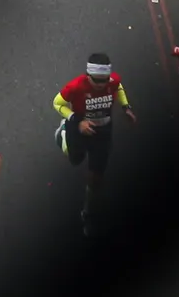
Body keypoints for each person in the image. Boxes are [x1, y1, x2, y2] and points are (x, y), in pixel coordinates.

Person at [51, 56, 127, 235]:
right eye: (96, 81)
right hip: (79, 126)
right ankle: (62, 132)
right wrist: (77, 122)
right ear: (88, 76)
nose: (101, 85)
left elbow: (119, 86)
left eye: (104, 80)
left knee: (96, 179)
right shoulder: (76, 86)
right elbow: (57, 103)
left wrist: (126, 107)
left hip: (102, 132)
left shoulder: (112, 81)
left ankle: (88, 213)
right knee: (75, 159)